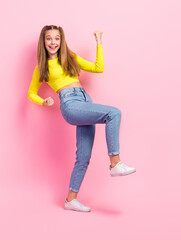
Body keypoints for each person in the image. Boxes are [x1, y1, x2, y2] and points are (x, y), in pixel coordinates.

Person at [28, 25, 136, 212]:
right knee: (114, 113)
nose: (53, 42)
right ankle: (115, 162)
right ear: (43, 42)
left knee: (83, 157)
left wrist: (99, 42)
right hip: (70, 105)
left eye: (56, 38)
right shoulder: (42, 67)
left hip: (85, 100)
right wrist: (42, 101)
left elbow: (98, 67)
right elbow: (31, 93)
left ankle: (71, 200)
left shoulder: (71, 57)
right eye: (49, 39)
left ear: (61, 41)